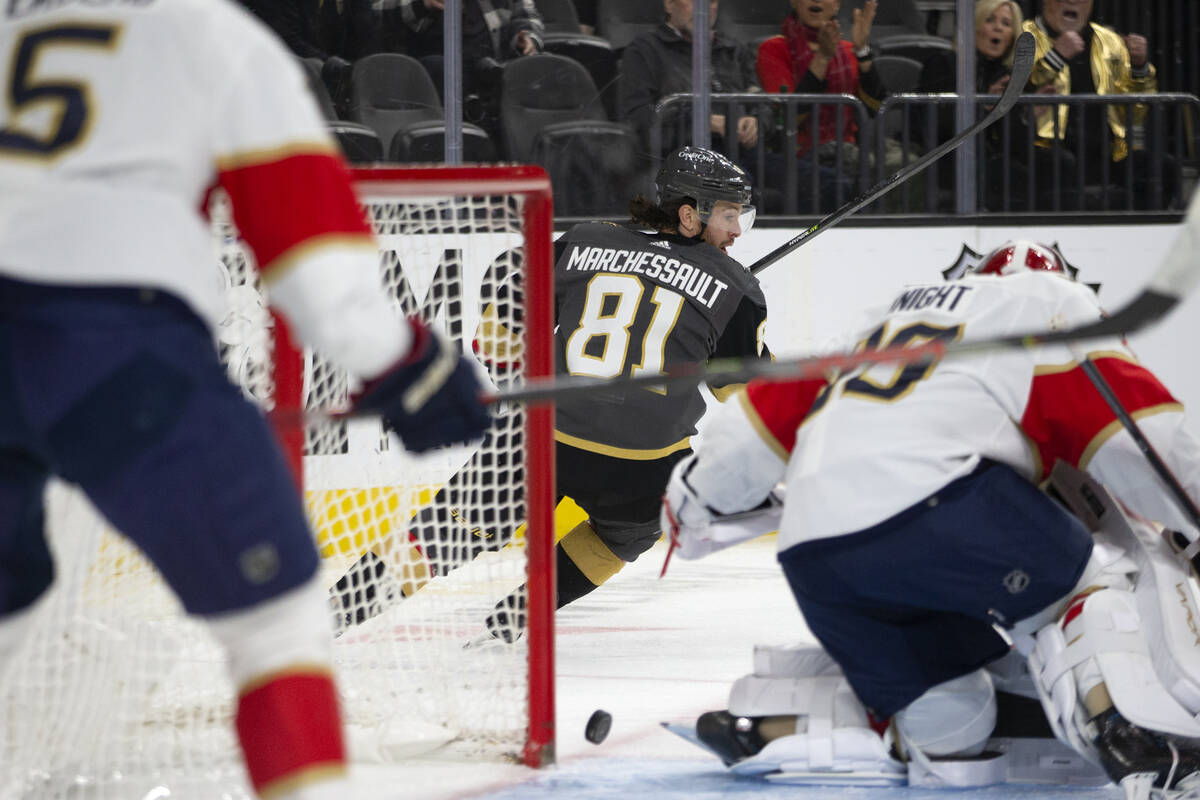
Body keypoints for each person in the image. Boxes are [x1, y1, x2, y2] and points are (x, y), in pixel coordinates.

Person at [0, 2, 489, 800]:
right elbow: (317, 266)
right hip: (120, 350)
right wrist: (413, 366)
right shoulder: (207, 34)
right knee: (276, 626)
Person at [661, 237, 1200, 791]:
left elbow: (752, 428)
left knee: (954, 729)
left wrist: (686, 511)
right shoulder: (1047, 302)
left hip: (814, 549)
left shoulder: (875, 323)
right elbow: (1141, 440)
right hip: (942, 503)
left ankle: (785, 729)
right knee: (1096, 585)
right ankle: (1144, 748)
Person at [332, 147, 770, 643]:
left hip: (541, 434)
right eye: (730, 214)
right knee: (629, 532)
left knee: (443, 532)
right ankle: (517, 616)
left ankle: (333, 613)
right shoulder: (736, 286)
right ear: (689, 214)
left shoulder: (584, 241)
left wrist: (518, 392)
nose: (736, 230)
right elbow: (747, 397)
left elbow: (495, 332)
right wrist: (729, 321)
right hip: (639, 464)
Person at [924, 0, 1081, 211]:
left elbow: (1015, 145)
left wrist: (1028, 117)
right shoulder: (944, 64)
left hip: (994, 157)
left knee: (1060, 161)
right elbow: (933, 126)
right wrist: (983, 107)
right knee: (999, 169)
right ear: (974, 26)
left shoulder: (1005, 75)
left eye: (1006, 23)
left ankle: (1057, 228)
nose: (998, 27)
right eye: (990, 20)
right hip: (947, 157)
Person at [1023, 0, 1181, 209]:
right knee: (1061, 163)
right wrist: (1056, 56)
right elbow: (1020, 83)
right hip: (1046, 149)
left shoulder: (1110, 42)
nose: (1073, 2)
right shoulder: (1024, 34)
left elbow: (1135, 114)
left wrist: (1139, 69)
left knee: (1164, 166)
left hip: (1106, 153)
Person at [756, 0, 908, 209]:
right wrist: (823, 57)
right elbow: (788, 115)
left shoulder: (848, 50)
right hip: (799, 151)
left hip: (849, 145)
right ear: (794, 2)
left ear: (837, 5)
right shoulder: (773, 49)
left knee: (908, 162)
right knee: (878, 167)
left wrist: (862, 51)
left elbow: (875, 108)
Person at [386, 0, 543, 126]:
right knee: (439, 67)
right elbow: (379, 10)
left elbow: (526, 14)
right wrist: (422, 4)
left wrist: (526, 38)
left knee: (539, 66)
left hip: (492, 65)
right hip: (437, 69)